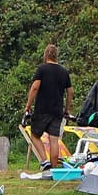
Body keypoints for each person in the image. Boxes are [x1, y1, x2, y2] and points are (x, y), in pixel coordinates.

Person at [23, 43, 73, 171]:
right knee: (54, 140)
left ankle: (44, 161)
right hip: (57, 111)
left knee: (34, 134)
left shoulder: (42, 69)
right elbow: (70, 92)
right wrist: (66, 109)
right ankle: (54, 168)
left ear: (45, 55)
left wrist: (28, 106)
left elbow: (35, 87)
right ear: (57, 56)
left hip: (42, 109)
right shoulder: (64, 71)